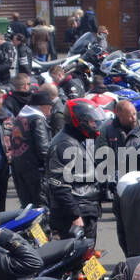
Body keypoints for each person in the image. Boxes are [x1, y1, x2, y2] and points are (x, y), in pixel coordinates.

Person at [45, 100, 104, 240]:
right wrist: (75, 216)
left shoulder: (83, 140)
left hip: (87, 209)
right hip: (75, 214)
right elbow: (58, 185)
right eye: (91, 121)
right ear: (80, 121)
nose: (95, 125)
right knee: (76, 258)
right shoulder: (64, 144)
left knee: (87, 256)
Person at [8, 85, 55, 210]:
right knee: (40, 208)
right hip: (35, 170)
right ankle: (41, 230)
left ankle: (29, 230)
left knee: (26, 207)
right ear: (42, 106)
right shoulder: (37, 119)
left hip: (19, 167)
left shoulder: (21, 116)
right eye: (49, 108)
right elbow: (43, 149)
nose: (50, 112)